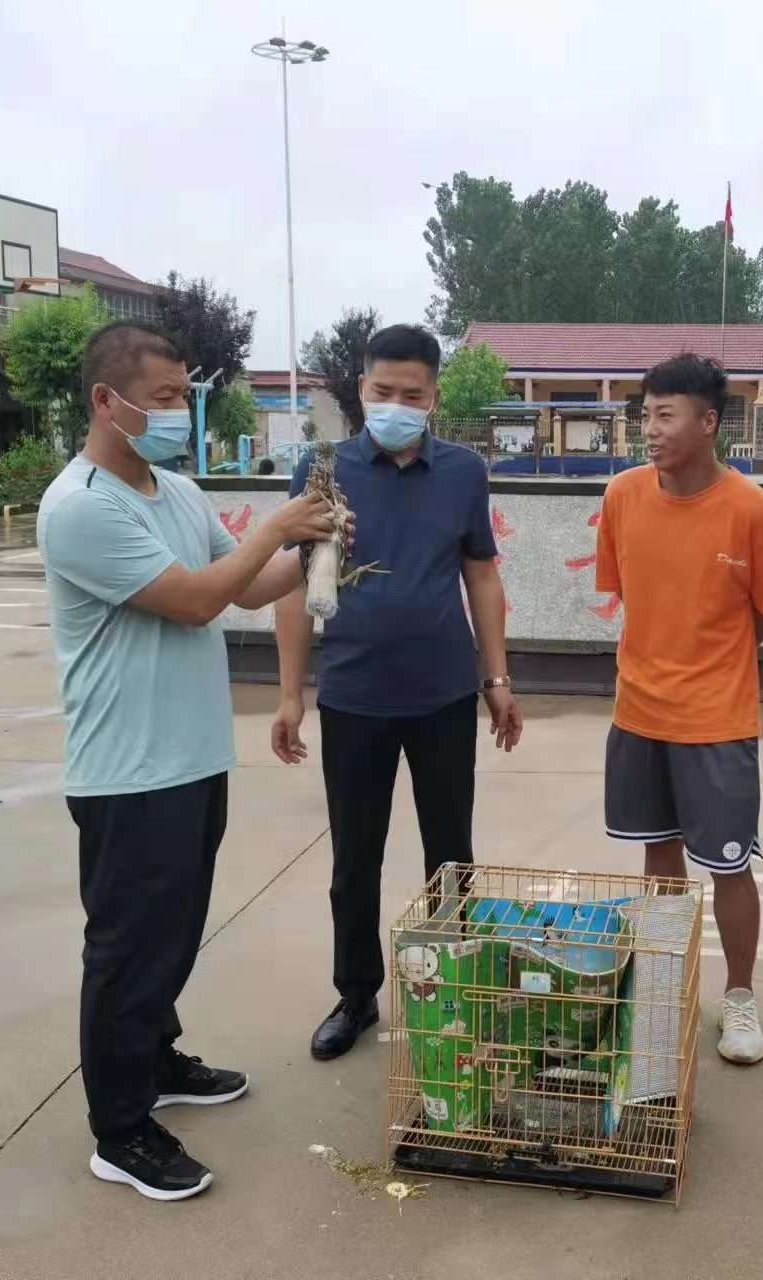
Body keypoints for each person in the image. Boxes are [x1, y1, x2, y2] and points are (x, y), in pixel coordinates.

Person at [38, 322, 341, 1202]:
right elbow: (197, 600)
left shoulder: (173, 489)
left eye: (183, 396)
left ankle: (156, 1060)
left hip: (191, 760)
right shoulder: (81, 507)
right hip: (127, 773)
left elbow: (247, 585)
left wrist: (317, 547)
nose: (180, 413)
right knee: (127, 951)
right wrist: (277, 524)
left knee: (170, 937)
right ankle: (120, 1129)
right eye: (165, 398)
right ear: (108, 401)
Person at [270, 323, 522, 1061]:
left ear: (434, 396)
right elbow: (292, 586)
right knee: (355, 860)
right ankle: (356, 994)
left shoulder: (463, 473)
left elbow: (482, 576)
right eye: (383, 391)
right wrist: (290, 694)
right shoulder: (322, 471)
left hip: (443, 696)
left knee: (451, 856)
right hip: (353, 697)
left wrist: (496, 679)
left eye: (413, 394)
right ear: (362, 388)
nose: (397, 405)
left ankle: (454, 988)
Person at [595, 353, 763, 1065]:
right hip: (639, 712)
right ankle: (665, 982)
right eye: (645, 414)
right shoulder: (622, 496)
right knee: (660, 853)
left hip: (717, 721)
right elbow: (629, 594)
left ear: (709, 422)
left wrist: (713, 664)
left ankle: (739, 996)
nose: (649, 429)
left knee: (729, 865)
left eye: (665, 415)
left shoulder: (753, 512)